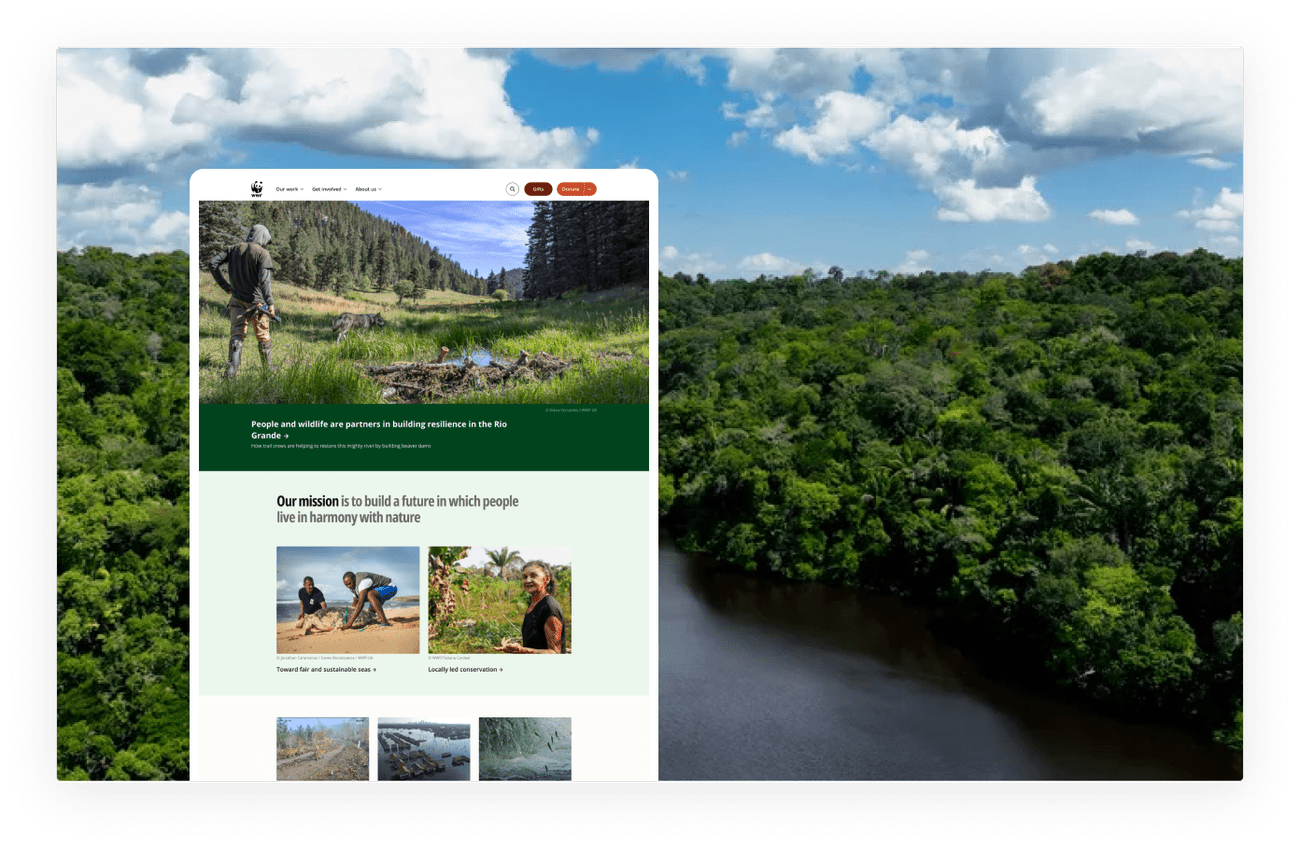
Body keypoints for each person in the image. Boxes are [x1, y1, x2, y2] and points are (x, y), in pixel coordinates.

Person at [209, 224, 277, 378]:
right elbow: (265, 282)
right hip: (258, 303)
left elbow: (212, 263)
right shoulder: (263, 253)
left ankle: (231, 371)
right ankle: (268, 371)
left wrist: (225, 286)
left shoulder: (232, 249)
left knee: (237, 336)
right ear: (263, 238)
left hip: (237, 300)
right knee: (263, 336)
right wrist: (271, 303)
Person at [496, 562, 566, 654]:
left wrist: (522, 650)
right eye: (525, 577)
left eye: (534, 576)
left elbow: (555, 652)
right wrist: (513, 649)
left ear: (547, 579)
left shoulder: (549, 607)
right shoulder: (534, 604)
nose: (528, 580)